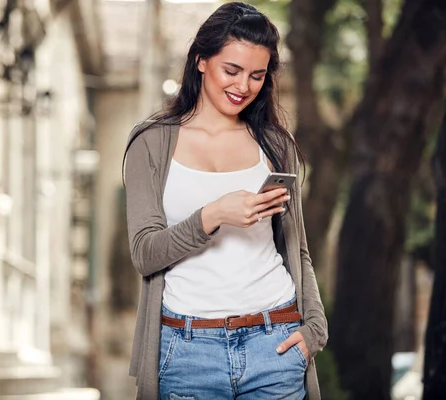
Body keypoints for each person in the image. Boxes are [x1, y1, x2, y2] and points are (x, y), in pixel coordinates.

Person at [122, 3, 328, 400]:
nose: (243, 86)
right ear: (201, 60)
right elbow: (145, 253)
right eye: (231, 71)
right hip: (188, 352)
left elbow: (297, 251)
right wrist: (213, 215)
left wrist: (314, 331)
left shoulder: (274, 144)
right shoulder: (152, 143)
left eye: (257, 75)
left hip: (276, 345)